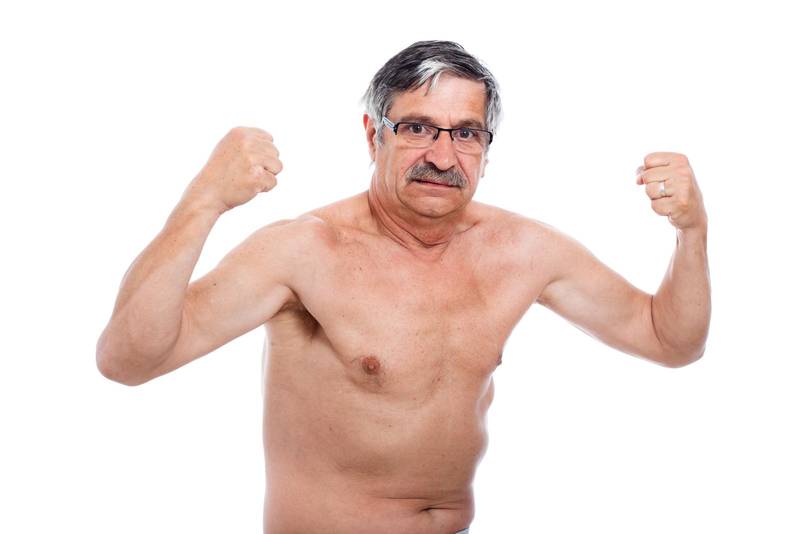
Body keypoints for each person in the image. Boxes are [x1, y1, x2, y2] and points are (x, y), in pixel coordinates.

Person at [96, 40, 711, 534]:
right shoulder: (305, 251)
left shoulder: (523, 250)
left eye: (465, 133)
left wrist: (692, 231)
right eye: (417, 127)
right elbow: (128, 358)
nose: (442, 156)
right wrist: (205, 199)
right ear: (374, 135)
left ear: (487, 148)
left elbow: (670, 340)